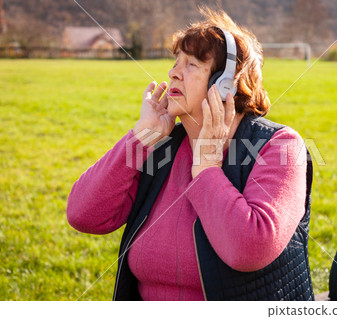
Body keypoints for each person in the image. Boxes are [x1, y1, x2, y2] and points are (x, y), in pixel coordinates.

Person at [67, 8, 314, 301]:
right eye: (176, 62)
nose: (173, 73)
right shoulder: (162, 148)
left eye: (192, 64)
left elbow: (249, 249)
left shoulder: (280, 146)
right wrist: (143, 136)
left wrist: (207, 167)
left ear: (225, 84)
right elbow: (83, 215)